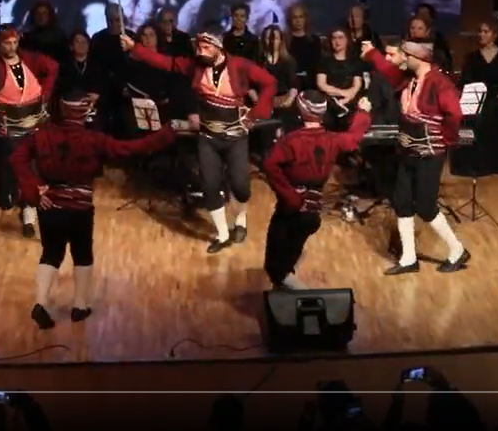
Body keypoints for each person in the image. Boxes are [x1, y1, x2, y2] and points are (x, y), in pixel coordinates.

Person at [11, 90, 175, 329]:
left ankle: (40, 303)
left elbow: (17, 160)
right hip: (80, 208)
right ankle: (80, 306)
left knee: (51, 254)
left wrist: (34, 189)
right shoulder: (94, 140)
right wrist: (167, 134)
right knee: (82, 254)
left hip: (49, 204)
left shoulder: (41, 134)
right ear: (82, 112)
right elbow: (132, 148)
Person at [122, 26, 278, 252]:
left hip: (235, 136)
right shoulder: (195, 67)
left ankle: (240, 221)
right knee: (210, 185)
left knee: (240, 186)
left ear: (218, 47)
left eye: (205, 47)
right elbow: (166, 62)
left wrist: (255, 114)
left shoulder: (240, 66)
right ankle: (223, 234)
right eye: (198, 47)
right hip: (208, 136)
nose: (200, 51)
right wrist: (135, 48)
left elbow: (269, 83)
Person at [362, 39, 470, 274]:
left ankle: (457, 250)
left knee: (426, 207)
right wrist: (371, 53)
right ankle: (409, 258)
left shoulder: (440, 83)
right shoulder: (408, 79)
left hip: (429, 155)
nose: (401, 60)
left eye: (405, 56)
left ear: (417, 58)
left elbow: (454, 113)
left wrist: (447, 140)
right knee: (401, 202)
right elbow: (388, 70)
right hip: (407, 151)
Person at [262, 93, 373, 289]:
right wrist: (363, 114)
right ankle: (285, 280)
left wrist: (291, 196)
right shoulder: (331, 139)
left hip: (291, 210)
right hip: (312, 212)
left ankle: (295, 289)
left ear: (301, 110)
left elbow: (270, 165)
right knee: (290, 250)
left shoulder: (291, 141)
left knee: (275, 266)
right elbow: (352, 138)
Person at [0, 25, 59, 237]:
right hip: (10, 126)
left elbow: (52, 67)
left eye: (15, 42)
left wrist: (44, 93)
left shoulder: (29, 59)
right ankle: (14, 199)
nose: (12, 47)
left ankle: (29, 215)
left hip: (33, 121)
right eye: (8, 43)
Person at [449, 17, 498, 178]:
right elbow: (465, 81)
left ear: (495, 35)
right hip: (476, 97)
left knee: (495, 116)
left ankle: (494, 163)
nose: (481, 34)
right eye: (480, 31)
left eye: (485, 32)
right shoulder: (472, 57)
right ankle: (471, 164)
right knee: (471, 121)